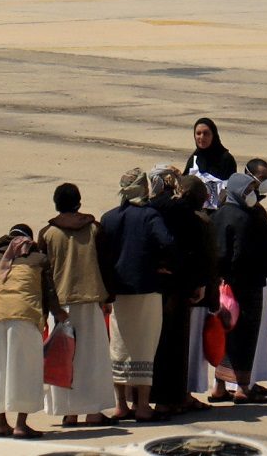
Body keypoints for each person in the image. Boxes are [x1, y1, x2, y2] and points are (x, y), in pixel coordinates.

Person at [0, 225, 61, 440]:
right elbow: (49, 293)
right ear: (29, 241)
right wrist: (59, 315)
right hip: (25, 317)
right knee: (25, 370)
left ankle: (1, 423)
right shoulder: (39, 259)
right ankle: (21, 425)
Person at [101, 168, 171, 422]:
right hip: (147, 288)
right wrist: (160, 263)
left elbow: (102, 254)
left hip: (118, 292)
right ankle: (142, 405)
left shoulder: (109, 218)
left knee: (119, 345)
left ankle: (121, 404)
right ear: (144, 189)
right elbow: (167, 241)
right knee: (144, 346)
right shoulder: (149, 215)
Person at [40, 184, 113, 427]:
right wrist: (108, 297)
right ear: (78, 203)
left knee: (64, 359)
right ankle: (93, 412)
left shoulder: (48, 234)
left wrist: (47, 308)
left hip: (61, 306)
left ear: (56, 204)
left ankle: (69, 413)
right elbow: (105, 265)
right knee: (92, 359)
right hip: (91, 302)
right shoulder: (94, 229)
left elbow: (44, 275)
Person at [151, 170, 213, 416]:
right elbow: (197, 254)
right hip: (179, 287)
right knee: (175, 346)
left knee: (160, 345)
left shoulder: (155, 208)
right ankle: (172, 399)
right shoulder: (191, 217)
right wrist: (198, 283)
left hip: (158, 285)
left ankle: (157, 399)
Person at [210, 173, 267, 403]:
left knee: (225, 335)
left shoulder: (218, 214)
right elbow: (242, 253)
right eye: (247, 191)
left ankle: (219, 385)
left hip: (222, 286)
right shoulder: (245, 218)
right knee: (245, 336)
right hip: (246, 286)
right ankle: (242, 387)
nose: (251, 195)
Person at [184, 117, 237, 209]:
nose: (202, 137)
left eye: (206, 133)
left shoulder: (226, 159)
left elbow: (230, 188)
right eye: (198, 133)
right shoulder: (195, 158)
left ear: (213, 135)